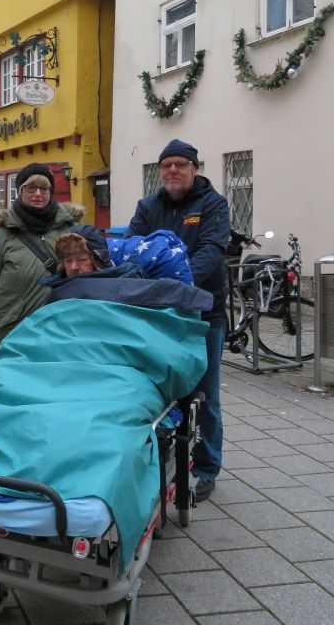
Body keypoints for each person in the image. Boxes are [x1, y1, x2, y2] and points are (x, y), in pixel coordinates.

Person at [127, 139, 229, 502]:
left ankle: (205, 467)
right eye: (166, 164)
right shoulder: (148, 207)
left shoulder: (213, 205)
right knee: (161, 390)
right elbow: (132, 250)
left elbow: (212, 251)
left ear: (194, 168)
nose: (172, 170)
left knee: (204, 395)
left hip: (203, 314)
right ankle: (163, 458)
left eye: (180, 164)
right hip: (158, 313)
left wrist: (176, 283)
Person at [0, 163, 77, 371]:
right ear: (20, 192)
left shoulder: (67, 229)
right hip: (8, 335)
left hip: (55, 335)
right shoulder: (2, 234)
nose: (38, 194)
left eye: (44, 189)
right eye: (31, 188)